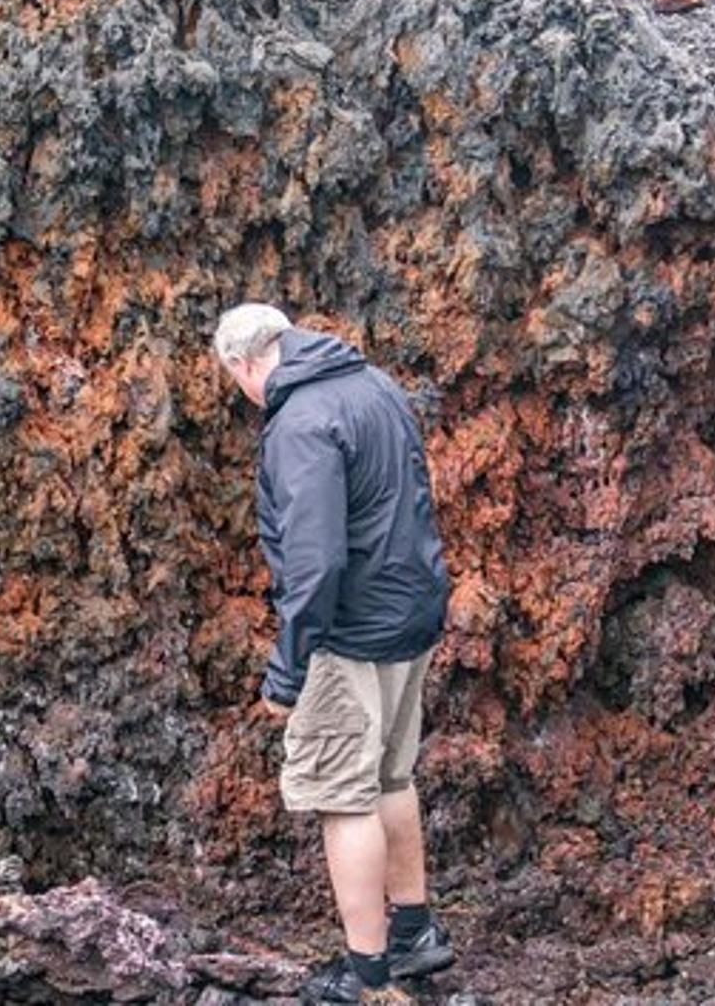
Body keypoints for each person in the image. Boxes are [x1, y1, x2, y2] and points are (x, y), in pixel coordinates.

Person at [212, 302, 457, 1004]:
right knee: (391, 776)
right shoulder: (376, 386)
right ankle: (415, 933)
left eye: (237, 380)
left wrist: (287, 670)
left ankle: (367, 969)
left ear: (246, 362)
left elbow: (314, 561)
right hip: (410, 615)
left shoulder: (299, 425)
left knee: (343, 799)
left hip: (346, 634)